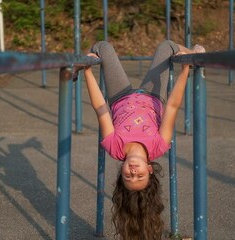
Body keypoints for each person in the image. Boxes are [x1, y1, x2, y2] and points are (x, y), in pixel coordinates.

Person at [79, 40, 205, 240]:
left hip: (120, 96)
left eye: (128, 177)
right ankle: (195, 56)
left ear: (122, 172)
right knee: (167, 47)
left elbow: (100, 108)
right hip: (153, 95)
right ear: (150, 169)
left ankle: (79, 64)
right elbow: (172, 106)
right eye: (140, 176)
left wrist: (86, 70)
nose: (134, 173)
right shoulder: (159, 145)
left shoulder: (114, 147)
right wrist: (185, 70)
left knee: (102, 47)